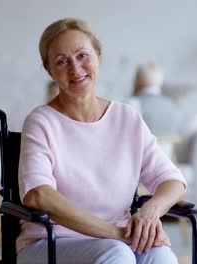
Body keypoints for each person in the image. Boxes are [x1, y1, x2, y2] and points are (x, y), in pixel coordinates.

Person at [17, 18, 187, 264]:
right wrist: (117, 234)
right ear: (49, 70)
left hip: (121, 239)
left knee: (161, 257)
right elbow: (38, 195)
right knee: (117, 254)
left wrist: (150, 212)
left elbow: (173, 181)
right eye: (62, 61)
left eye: (82, 55)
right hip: (51, 242)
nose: (75, 69)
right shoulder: (41, 121)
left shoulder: (127, 118)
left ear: (98, 55)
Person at [131, 63, 181, 137]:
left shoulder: (133, 104)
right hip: (166, 148)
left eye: (136, 78)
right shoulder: (173, 106)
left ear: (139, 81)